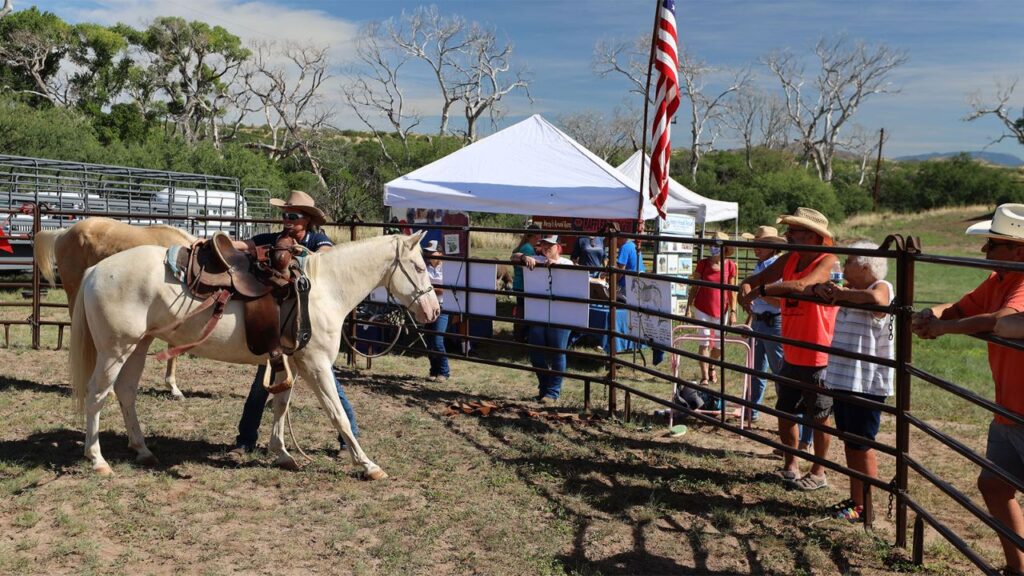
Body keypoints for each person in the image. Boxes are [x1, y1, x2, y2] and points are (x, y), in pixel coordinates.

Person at [912, 204, 1024, 574]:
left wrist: (943, 328)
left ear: (1018, 251)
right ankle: (1017, 568)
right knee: (993, 485)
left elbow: (1002, 320)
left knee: (995, 484)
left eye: (993, 244)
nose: (984, 251)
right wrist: (933, 315)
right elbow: (961, 307)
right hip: (1008, 409)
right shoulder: (998, 280)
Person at [229, 190, 360, 459]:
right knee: (260, 386)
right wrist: (220, 242)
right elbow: (245, 244)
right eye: (285, 215)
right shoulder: (276, 239)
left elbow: (325, 256)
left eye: (293, 216)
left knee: (330, 386)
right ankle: (245, 441)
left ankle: (348, 441)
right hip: (279, 327)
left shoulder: (318, 240)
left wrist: (301, 253)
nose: (287, 221)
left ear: (306, 220)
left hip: (310, 328)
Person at [738, 207, 838, 491]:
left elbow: (803, 285)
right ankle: (791, 466)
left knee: (819, 416)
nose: (788, 235)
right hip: (792, 349)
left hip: (818, 351)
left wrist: (762, 291)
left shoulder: (828, 260)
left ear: (813, 236)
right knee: (785, 411)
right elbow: (757, 278)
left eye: (795, 230)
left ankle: (818, 472)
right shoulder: (789, 258)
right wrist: (745, 287)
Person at [809, 240, 894, 522]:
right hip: (845, 379)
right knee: (850, 442)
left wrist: (842, 294)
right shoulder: (850, 291)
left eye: (849, 262)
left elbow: (879, 301)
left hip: (865, 383)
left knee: (862, 444)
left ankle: (866, 508)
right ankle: (856, 501)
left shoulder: (881, 287)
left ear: (865, 267)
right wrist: (830, 291)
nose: (843, 266)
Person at [514, 235, 573, 404]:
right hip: (539, 312)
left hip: (560, 314)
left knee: (557, 352)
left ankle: (553, 392)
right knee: (536, 352)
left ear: (558, 247)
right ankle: (545, 387)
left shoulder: (566, 263)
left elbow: (575, 279)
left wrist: (558, 268)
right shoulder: (537, 259)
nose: (546, 247)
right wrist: (524, 257)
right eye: (544, 244)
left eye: (550, 245)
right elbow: (514, 256)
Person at [743, 226, 788, 425]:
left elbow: (780, 301)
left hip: (773, 322)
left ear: (772, 247)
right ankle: (752, 410)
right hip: (760, 321)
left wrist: (758, 292)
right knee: (756, 369)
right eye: (755, 244)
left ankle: (787, 415)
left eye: (761, 244)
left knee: (779, 372)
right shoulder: (761, 266)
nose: (756, 247)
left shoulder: (777, 267)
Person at [685, 231, 738, 389]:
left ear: (724, 248)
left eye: (717, 244)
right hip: (702, 307)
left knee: (719, 346)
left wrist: (733, 311)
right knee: (704, 341)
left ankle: (712, 367)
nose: (713, 247)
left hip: (722, 309)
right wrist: (688, 307)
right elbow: (695, 286)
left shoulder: (730, 265)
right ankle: (704, 377)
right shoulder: (703, 263)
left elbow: (732, 291)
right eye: (712, 244)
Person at [422, 240, 450, 382]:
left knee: (437, 340)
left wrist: (430, 289)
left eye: (432, 252)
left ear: (440, 253)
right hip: (428, 306)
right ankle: (434, 370)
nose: (429, 254)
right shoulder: (424, 268)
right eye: (428, 252)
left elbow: (448, 288)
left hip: (442, 307)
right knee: (429, 341)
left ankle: (444, 372)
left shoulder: (447, 268)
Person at [511, 223, 541, 342]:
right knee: (522, 311)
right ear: (535, 235)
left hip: (520, 283)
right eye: (539, 234)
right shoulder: (527, 248)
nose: (540, 237)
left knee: (521, 309)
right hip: (524, 284)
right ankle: (519, 336)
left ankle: (519, 336)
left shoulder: (526, 246)